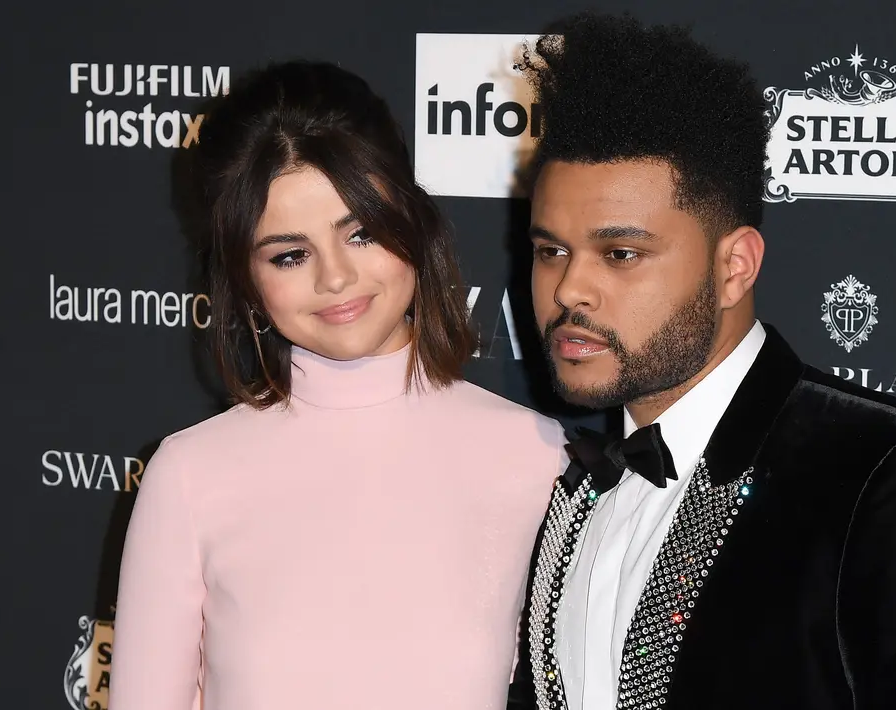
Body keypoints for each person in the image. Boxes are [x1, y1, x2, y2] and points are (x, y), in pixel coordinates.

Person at [508, 12, 896, 710]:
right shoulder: (574, 496)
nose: (569, 288)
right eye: (550, 250)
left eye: (621, 254)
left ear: (734, 266)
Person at [109, 60, 565, 710]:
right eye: (289, 254)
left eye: (361, 231)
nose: (335, 277)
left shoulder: (535, 458)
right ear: (245, 279)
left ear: (412, 219)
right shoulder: (188, 476)